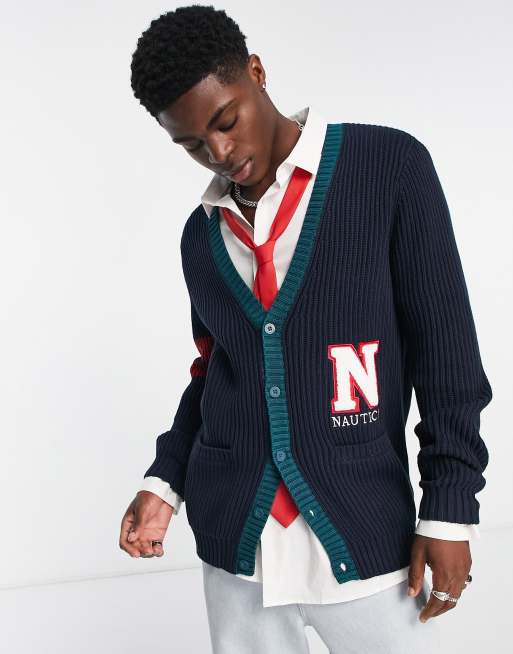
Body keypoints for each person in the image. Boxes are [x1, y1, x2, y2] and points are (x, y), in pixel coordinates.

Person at [119, 5, 492, 653]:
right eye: (191, 144)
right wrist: (164, 481)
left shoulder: (387, 168)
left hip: (364, 529)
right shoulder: (200, 237)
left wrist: (449, 508)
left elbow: (446, 351)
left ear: (257, 72)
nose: (219, 153)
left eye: (225, 121)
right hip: (236, 547)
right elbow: (215, 372)